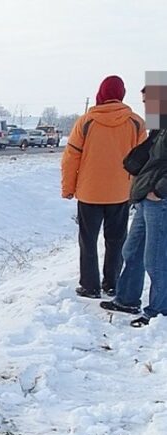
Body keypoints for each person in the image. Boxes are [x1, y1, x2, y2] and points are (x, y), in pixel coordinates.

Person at [61, 75, 146, 299]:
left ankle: (90, 286)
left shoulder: (86, 121)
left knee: (88, 240)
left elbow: (71, 157)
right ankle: (112, 283)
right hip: (120, 192)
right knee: (117, 240)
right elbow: (143, 161)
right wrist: (139, 192)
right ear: (122, 94)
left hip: (90, 192)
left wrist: (68, 187)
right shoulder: (136, 122)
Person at [105, 80, 166, 327]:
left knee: (156, 258)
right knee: (132, 250)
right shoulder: (160, 127)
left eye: (149, 102)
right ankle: (127, 299)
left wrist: (160, 191)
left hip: (159, 200)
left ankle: (159, 311)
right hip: (146, 198)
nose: (146, 108)